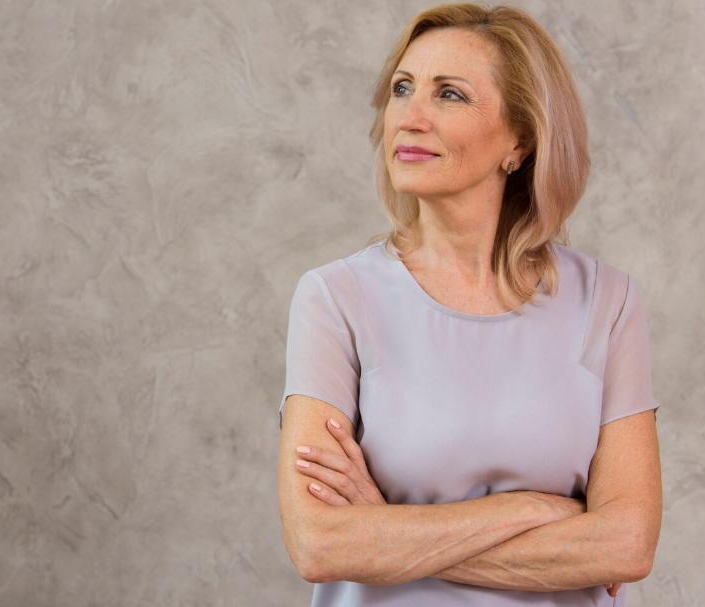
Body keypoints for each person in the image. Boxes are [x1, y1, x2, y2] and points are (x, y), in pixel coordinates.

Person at [277, 3, 662, 606]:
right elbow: (320, 545)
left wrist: (388, 532)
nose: (410, 117)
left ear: (520, 141)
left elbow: (627, 546)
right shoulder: (335, 298)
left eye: (449, 94)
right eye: (402, 89)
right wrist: (536, 512)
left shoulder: (607, 303)